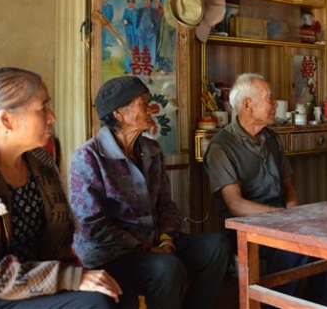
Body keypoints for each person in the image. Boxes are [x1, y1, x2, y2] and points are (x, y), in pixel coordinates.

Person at [69, 76, 229, 309]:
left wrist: (166, 240)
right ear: (119, 114)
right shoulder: (88, 157)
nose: (151, 108)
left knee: (216, 246)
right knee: (166, 267)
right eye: (143, 103)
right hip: (112, 254)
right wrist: (147, 248)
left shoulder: (151, 150)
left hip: (154, 243)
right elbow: (92, 226)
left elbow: (166, 205)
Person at [204, 73, 327, 308]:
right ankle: (274, 306)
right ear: (248, 104)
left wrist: (293, 213)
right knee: (294, 246)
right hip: (247, 227)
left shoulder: (271, 138)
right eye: (269, 98)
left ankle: (326, 302)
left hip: (281, 218)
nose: (274, 104)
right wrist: (283, 217)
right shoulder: (222, 146)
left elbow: (288, 186)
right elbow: (235, 205)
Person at [0, 67, 122, 309]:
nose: (52, 117)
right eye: (42, 108)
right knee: (94, 302)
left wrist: (75, 277)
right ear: (6, 120)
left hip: (42, 283)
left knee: (117, 286)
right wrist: (70, 278)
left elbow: (60, 240)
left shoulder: (40, 163)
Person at [121, 0, 138, 74]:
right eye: (129, 2)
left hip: (135, 34)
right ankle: (128, 68)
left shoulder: (136, 11)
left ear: (134, 3)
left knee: (136, 50)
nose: (130, 4)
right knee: (128, 49)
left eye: (132, 2)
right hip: (128, 33)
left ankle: (136, 67)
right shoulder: (126, 11)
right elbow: (123, 20)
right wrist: (126, 22)